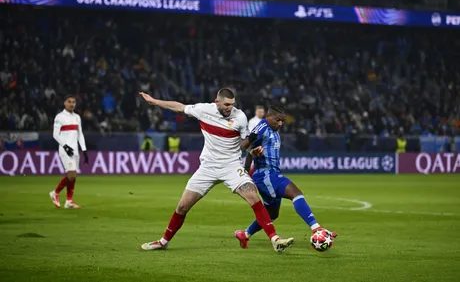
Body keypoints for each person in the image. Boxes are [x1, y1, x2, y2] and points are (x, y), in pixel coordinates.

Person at [138, 88, 294, 252]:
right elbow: (179, 107)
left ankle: (275, 240)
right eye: (226, 104)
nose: (230, 108)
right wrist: (155, 101)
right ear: (217, 101)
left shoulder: (240, 117)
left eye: (232, 105)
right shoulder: (203, 110)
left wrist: (252, 152)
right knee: (182, 206)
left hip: (232, 166)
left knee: (253, 196)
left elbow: (245, 141)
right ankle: (163, 241)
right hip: (208, 168)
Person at [235, 104, 337, 249]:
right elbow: (243, 146)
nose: (281, 123)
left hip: (270, 175)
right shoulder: (262, 127)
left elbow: (251, 151)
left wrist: (250, 159)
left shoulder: (273, 130)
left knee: (272, 214)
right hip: (266, 174)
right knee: (295, 193)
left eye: (283, 120)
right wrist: (244, 170)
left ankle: (245, 235)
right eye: (278, 120)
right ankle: (316, 228)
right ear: (268, 116)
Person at [49, 95, 89, 209]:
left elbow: (80, 134)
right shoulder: (59, 117)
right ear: (64, 103)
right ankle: (55, 193)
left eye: (73, 102)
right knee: (71, 176)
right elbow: (55, 135)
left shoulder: (77, 117)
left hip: (75, 150)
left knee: (73, 176)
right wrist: (65, 146)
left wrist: (84, 150)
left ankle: (69, 201)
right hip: (65, 150)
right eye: (69, 102)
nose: (72, 104)